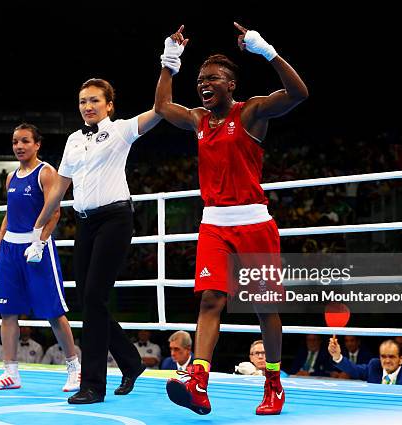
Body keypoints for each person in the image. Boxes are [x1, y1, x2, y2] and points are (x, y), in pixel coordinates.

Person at [155, 23, 308, 416]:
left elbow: (299, 94)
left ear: (231, 84)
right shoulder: (198, 120)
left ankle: (273, 381)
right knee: (210, 300)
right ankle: (199, 382)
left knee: (263, 309)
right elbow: (161, 108)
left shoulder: (253, 111)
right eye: (201, 78)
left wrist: (266, 50)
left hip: (254, 222)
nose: (204, 84)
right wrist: (170, 63)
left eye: (213, 78)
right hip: (214, 225)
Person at [32, 78, 162, 404]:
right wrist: (38, 228)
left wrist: (168, 64)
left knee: (93, 296)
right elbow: (59, 189)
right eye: (82, 102)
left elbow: (160, 110)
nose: (88, 106)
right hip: (84, 224)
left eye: (94, 100)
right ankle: (131, 362)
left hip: (115, 219)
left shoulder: (120, 130)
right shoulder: (74, 140)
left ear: (108, 105)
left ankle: (92, 385)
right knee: (90, 300)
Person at [0, 123, 81, 392]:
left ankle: (75, 368)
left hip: (36, 247)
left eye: (25, 141)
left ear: (37, 144)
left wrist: (40, 240)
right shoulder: (11, 177)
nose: (19, 146)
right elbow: (9, 214)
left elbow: (56, 212)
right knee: (8, 311)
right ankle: (10, 373)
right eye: (15, 142)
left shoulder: (46, 172)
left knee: (53, 311)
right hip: (11, 250)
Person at [328, 336, 402, 385]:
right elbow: (355, 369)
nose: (387, 361)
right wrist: (337, 356)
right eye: (383, 356)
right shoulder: (374, 366)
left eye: (392, 357)